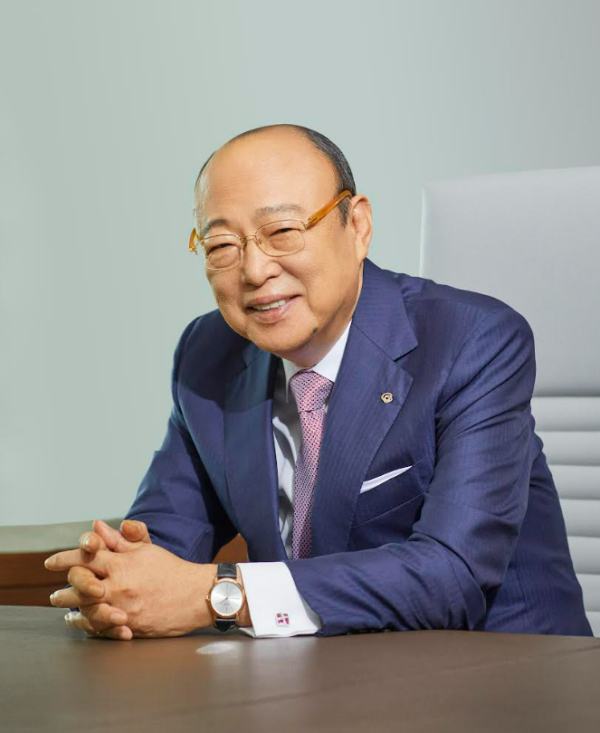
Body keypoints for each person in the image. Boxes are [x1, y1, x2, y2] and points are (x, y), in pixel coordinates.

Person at [44, 124, 592, 641]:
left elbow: (452, 576)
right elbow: (163, 542)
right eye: (222, 246)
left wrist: (222, 595)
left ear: (358, 226)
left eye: (282, 232)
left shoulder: (472, 341)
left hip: (498, 676)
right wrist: (114, 583)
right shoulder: (208, 353)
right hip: (312, 680)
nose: (254, 270)